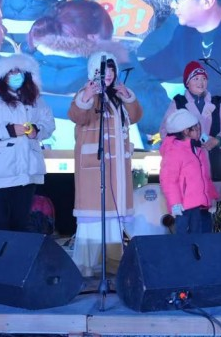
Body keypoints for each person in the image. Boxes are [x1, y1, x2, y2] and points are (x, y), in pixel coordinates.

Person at [28, 0, 169, 144]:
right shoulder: (118, 72)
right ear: (94, 38)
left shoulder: (22, 69)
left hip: (41, 152)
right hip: (107, 151)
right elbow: (159, 120)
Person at [68, 50, 143, 278]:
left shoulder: (117, 97)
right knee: (93, 219)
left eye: (111, 69)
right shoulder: (87, 93)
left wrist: (127, 96)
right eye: (103, 70)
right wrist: (87, 96)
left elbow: (136, 116)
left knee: (112, 220)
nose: (108, 74)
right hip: (95, 168)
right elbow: (77, 116)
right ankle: (85, 266)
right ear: (94, 72)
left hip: (116, 170)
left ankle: (112, 265)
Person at [0, 54, 55, 232]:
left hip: (27, 173)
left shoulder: (36, 100)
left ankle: (19, 252)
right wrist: (9, 130)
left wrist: (37, 130)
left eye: (19, 72)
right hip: (1, 174)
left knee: (21, 226)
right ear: (2, 75)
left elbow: (49, 124)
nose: (16, 76)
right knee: (0, 226)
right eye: (11, 72)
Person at [159, 61, 221, 201]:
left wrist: (217, 140)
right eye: (196, 79)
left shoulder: (216, 103)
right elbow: (165, 130)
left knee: (214, 205)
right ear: (187, 83)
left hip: (214, 163)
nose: (201, 82)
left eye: (204, 78)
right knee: (191, 204)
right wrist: (185, 142)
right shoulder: (179, 103)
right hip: (186, 164)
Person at [159, 109, 219, 234]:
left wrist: (211, 197)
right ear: (186, 131)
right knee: (183, 238)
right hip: (183, 207)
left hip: (198, 205)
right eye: (196, 128)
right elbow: (169, 180)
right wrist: (175, 203)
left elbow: (205, 177)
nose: (199, 131)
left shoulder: (198, 150)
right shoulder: (174, 151)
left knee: (198, 236)